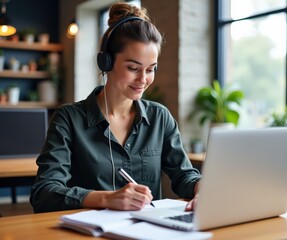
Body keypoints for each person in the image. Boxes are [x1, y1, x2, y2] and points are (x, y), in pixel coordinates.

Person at [30, 2, 201, 213]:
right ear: (106, 62)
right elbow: (44, 193)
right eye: (133, 68)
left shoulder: (160, 118)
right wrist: (107, 199)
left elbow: (184, 175)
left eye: (151, 69)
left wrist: (201, 187)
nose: (143, 79)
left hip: (146, 231)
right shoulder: (68, 119)